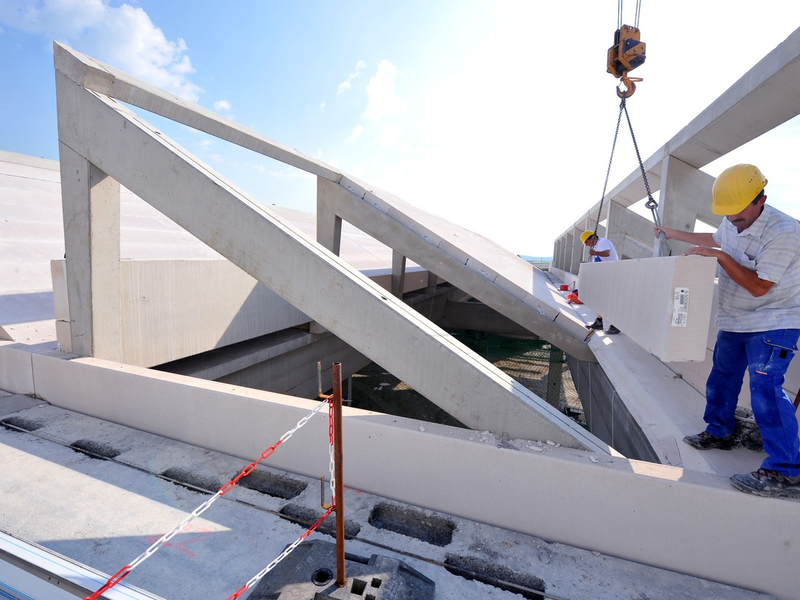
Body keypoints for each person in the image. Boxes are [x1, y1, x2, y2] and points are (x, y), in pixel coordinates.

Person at [654, 164, 800, 498]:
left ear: (760, 199)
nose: (732, 219)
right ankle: (720, 431)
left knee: (765, 388)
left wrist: (718, 256)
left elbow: (760, 286)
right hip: (736, 318)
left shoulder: (784, 231)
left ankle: (787, 471)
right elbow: (718, 239)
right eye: (727, 215)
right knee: (722, 377)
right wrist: (675, 233)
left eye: (738, 214)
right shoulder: (732, 216)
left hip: (775, 319)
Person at [580, 230, 620, 335]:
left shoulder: (603, 241)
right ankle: (599, 322)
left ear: (591, 238)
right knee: (600, 299)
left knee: (610, 301)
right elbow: (599, 262)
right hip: (606, 276)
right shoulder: (597, 247)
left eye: (586, 242)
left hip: (612, 275)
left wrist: (595, 253)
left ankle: (616, 325)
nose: (587, 245)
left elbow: (607, 253)